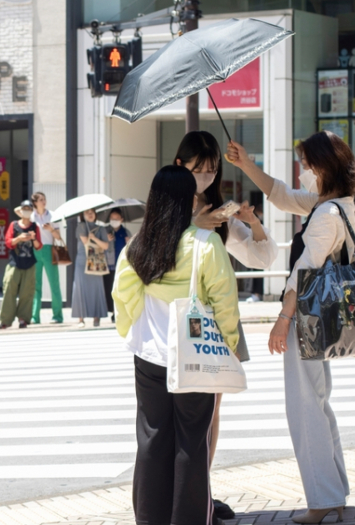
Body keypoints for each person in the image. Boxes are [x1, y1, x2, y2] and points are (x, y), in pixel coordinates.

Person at [227, 131, 355, 523]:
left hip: (307, 316)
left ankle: (321, 502)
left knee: (304, 407)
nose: (303, 171)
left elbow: (304, 272)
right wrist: (247, 164)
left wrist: (281, 321)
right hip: (322, 317)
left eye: (307, 165)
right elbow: (282, 195)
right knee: (318, 403)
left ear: (323, 166)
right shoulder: (333, 204)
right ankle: (333, 494)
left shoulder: (326, 214)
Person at [113, 165, 240, 525]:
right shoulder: (205, 244)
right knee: (191, 442)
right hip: (194, 355)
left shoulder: (138, 245)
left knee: (152, 440)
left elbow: (122, 295)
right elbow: (224, 301)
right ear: (189, 200)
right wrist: (229, 344)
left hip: (149, 355)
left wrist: (135, 330)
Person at [177, 130, 279, 520]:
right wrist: (197, 226)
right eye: (198, 169)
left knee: (210, 413)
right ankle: (184, 493)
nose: (205, 176)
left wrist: (252, 222)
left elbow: (263, 258)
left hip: (217, 323)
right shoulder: (168, 204)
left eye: (212, 170)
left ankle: (202, 490)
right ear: (179, 165)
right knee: (181, 415)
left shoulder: (222, 212)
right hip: (177, 321)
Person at [0, 200, 42, 329]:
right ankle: (5, 320)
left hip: (29, 263)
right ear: (21, 211)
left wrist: (33, 238)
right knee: (8, 290)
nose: (26, 211)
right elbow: (8, 242)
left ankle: (23, 319)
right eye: (24, 208)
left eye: (29, 209)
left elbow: (39, 246)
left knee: (27, 292)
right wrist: (19, 238)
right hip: (14, 263)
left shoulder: (35, 227)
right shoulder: (14, 225)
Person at [29, 192, 64, 324]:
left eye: (45, 199)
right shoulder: (32, 217)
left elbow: (59, 237)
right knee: (35, 285)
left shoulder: (52, 215)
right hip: (35, 250)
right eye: (41, 200)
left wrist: (51, 229)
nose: (44, 202)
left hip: (49, 249)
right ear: (35, 203)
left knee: (54, 283)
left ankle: (57, 316)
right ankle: (34, 316)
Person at [73, 208, 110, 327]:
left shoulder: (102, 228)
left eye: (92, 212)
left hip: (96, 261)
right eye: (87, 212)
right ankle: (80, 319)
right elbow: (85, 242)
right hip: (82, 261)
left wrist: (94, 238)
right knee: (80, 288)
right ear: (82, 215)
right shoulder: (81, 226)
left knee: (96, 288)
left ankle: (97, 317)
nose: (90, 214)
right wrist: (92, 239)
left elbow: (105, 245)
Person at [104, 209, 131, 322]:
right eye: (112, 219)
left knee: (120, 289)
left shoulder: (126, 232)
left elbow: (131, 248)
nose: (114, 221)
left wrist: (129, 242)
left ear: (121, 220)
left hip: (122, 266)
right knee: (110, 289)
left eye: (116, 219)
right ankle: (112, 311)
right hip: (108, 265)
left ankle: (118, 313)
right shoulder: (106, 231)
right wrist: (107, 239)